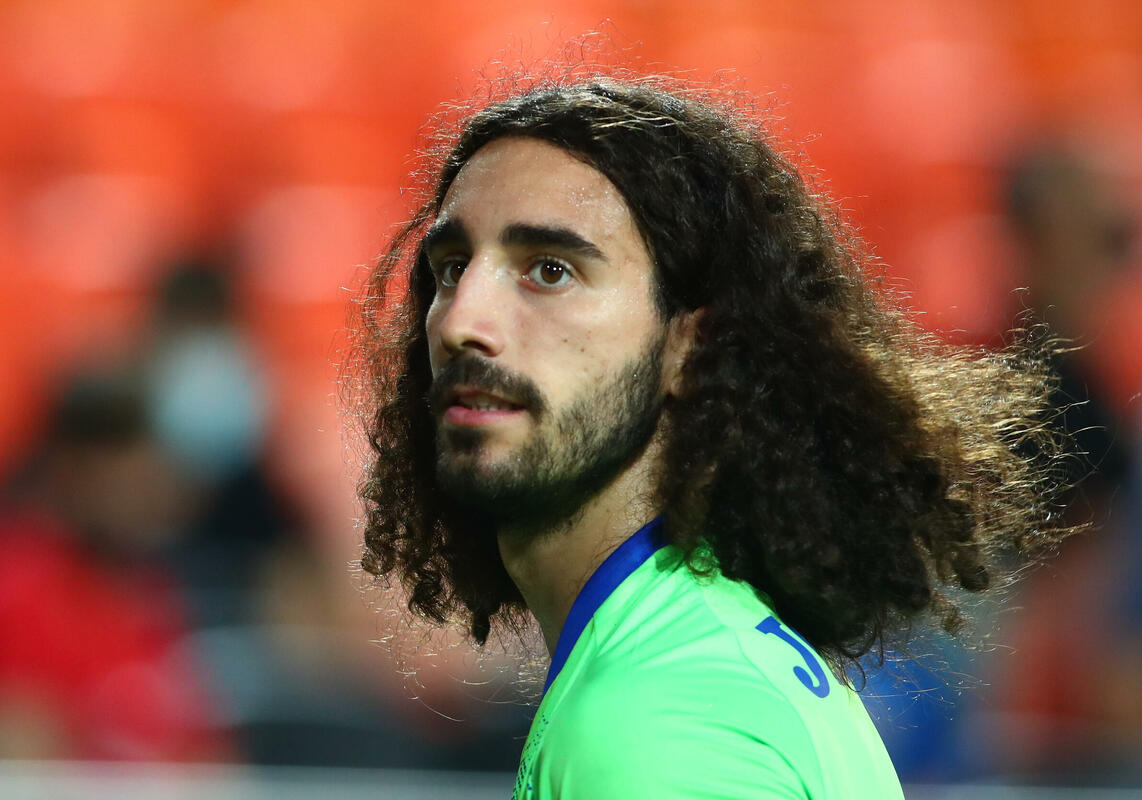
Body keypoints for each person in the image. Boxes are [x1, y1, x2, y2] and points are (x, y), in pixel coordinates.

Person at [352, 79, 1072, 799]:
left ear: (689, 348)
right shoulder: (701, 651)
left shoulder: (657, 726)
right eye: (452, 268)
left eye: (550, 270)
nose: (460, 322)